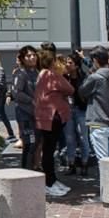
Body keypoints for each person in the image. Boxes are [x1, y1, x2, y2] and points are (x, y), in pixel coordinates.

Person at [34, 50, 73, 197]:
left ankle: (52, 180)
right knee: (49, 150)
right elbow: (70, 89)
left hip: (47, 116)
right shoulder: (51, 75)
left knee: (49, 149)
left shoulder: (41, 74)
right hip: (52, 116)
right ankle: (49, 182)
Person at [79, 46, 109, 161]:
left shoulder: (95, 78)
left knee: (103, 161)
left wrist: (89, 75)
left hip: (98, 123)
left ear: (95, 60)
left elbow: (82, 91)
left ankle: (107, 180)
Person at [12, 45, 40, 170]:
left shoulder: (37, 72)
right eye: (29, 56)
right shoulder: (20, 74)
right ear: (23, 59)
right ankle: (26, 171)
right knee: (29, 143)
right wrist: (32, 100)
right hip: (25, 114)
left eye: (34, 55)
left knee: (36, 144)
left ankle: (34, 169)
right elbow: (17, 93)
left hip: (37, 115)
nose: (32, 57)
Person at [63, 53, 90, 175]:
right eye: (66, 62)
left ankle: (85, 163)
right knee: (69, 139)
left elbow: (86, 95)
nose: (67, 65)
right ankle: (71, 164)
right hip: (68, 110)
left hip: (81, 110)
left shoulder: (83, 78)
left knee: (83, 137)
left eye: (70, 63)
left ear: (77, 65)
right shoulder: (64, 77)